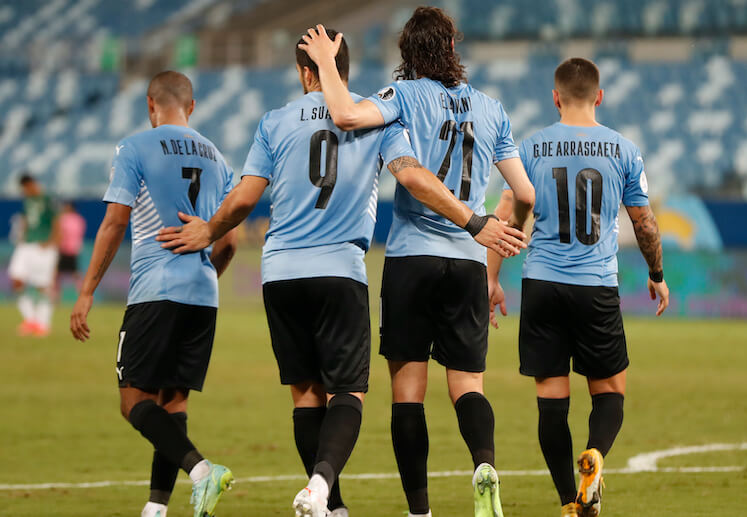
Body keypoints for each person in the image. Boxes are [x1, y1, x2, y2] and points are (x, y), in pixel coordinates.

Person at [156, 29, 524, 517]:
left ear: (303, 72)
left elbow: (244, 198)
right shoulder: (380, 119)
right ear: (342, 67)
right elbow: (411, 172)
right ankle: (322, 487)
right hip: (342, 271)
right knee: (348, 393)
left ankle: (335, 506)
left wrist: (208, 230)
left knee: (306, 395)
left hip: (282, 271)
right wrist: (474, 221)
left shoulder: (274, 121)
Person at [299, 9, 535, 517]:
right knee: (468, 385)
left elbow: (346, 116)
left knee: (407, 393)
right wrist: (497, 254)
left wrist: (325, 63)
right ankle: (484, 464)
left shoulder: (401, 96)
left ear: (407, 53)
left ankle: (419, 511)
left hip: (412, 258)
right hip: (469, 264)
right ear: (451, 48)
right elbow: (525, 194)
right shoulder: (492, 108)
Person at [489, 58, 670, 517]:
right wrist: (656, 274)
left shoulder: (530, 147)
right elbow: (644, 223)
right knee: (610, 391)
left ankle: (570, 501)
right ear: (599, 96)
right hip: (595, 286)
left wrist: (491, 277)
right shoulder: (624, 150)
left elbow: (509, 214)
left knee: (551, 401)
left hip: (542, 283)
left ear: (555, 98)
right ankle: (596, 455)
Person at [69, 71, 238, 517]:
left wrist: (86, 292)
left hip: (155, 290)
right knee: (173, 402)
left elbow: (114, 222)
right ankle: (156, 507)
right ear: (192, 106)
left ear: (150, 105)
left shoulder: (135, 147)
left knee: (133, 401)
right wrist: (206, 275)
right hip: (202, 294)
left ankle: (202, 471)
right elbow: (230, 241)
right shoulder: (219, 158)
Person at [8, 173, 59, 337]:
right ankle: (30, 320)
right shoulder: (27, 201)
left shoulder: (48, 199)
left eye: (25, 187)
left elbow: (57, 221)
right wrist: (22, 237)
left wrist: (52, 241)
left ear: (31, 184)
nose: (24, 191)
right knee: (16, 279)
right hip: (27, 245)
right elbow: (25, 221)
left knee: (42, 286)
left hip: (44, 246)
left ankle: (43, 324)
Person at [57, 202, 86, 288]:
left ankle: (82, 290)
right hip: (70, 249)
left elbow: (61, 233)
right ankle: (82, 290)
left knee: (61, 273)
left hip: (67, 249)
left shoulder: (64, 218)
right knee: (59, 274)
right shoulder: (79, 219)